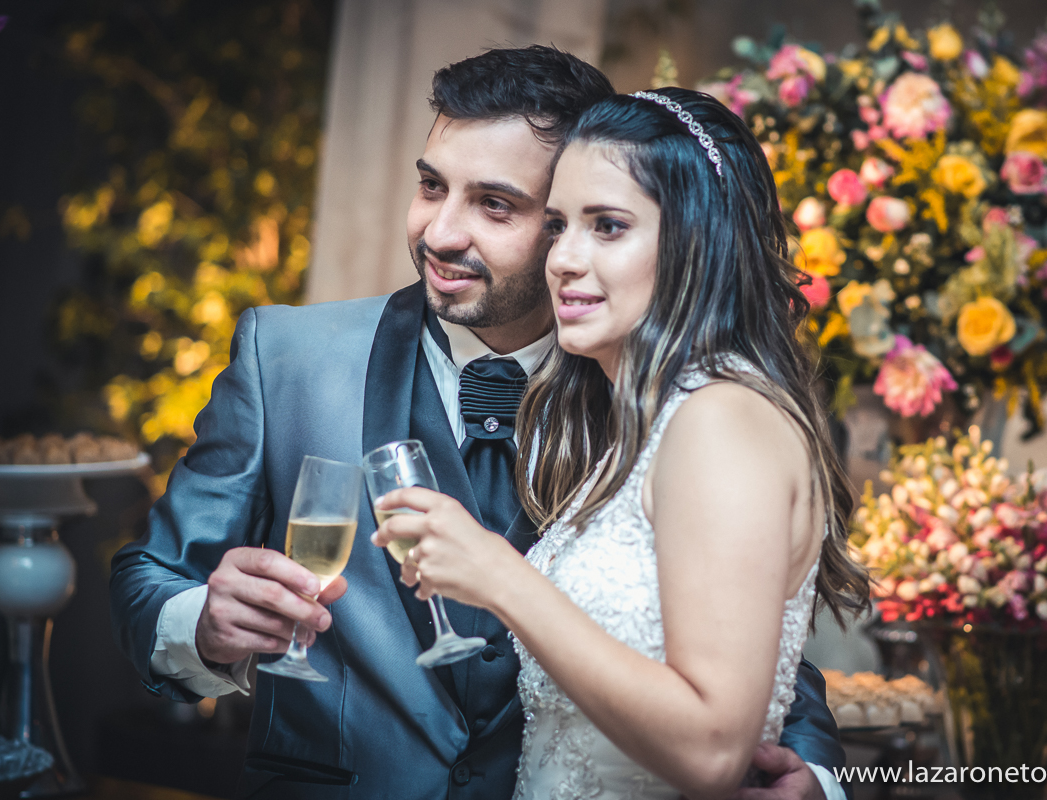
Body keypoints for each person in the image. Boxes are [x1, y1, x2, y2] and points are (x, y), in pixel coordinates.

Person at [109, 47, 852, 800]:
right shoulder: (286, 358)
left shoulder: (657, 401)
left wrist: (816, 778)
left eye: (496, 205)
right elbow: (147, 579)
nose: (439, 233)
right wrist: (202, 622)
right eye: (431, 187)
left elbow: (740, 642)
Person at [369, 87, 871, 800]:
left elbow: (711, 753)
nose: (564, 259)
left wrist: (501, 578)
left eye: (607, 227)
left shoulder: (719, 420)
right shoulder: (641, 424)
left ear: (697, 239)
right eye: (557, 225)